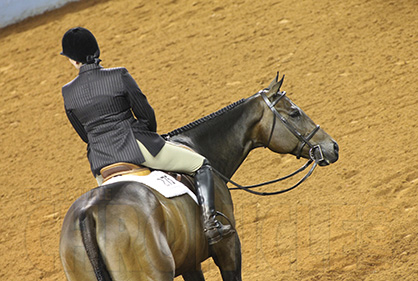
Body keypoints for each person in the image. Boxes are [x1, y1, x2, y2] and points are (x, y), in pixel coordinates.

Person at [60, 27, 233, 245]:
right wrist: (146, 133)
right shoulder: (118, 74)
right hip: (136, 148)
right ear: (96, 49)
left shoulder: (67, 92)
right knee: (200, 164)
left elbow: (84, 134)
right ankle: (210, 223)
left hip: (102, 162)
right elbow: (145, 113)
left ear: (74, 60)